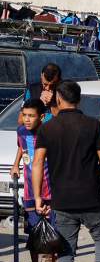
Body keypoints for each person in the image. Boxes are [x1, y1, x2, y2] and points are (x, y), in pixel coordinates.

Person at [32, 81, 100, 262]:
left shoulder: (47, 128)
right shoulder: (92, 125)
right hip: (90, 196)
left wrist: (38, 197)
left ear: (58, 99)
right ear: (79, 100)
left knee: (66, 248)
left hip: (62, 199)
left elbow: (37, 163)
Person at [12, 99, 53, 244]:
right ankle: (36, 260)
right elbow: (21, 147)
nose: (27, 119)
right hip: (29, 189)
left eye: (31, 116)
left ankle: (53, 256)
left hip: (49, 189)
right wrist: (15, 164)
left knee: (52, 234)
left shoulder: (48, 132)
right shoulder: (21, 131)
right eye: (24, 115)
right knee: (33, 235)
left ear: (41, 117)